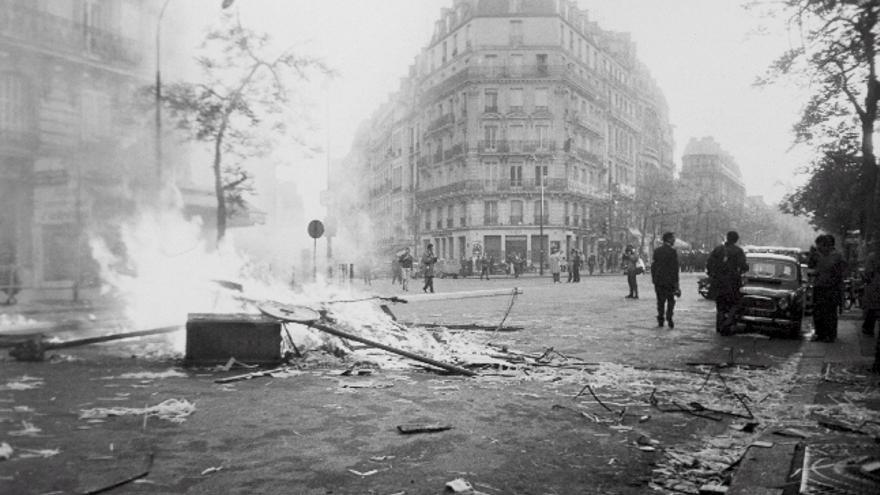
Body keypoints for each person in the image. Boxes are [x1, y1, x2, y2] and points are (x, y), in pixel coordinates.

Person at [707, 231, 748, 335]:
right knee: (734, 304)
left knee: (720, 305)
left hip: (718, 282)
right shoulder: (738, 251)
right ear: (736, 240)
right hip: (732, 283)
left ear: (727, 238)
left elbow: (709, 263)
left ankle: (720, 325)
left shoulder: (718, 249)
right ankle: (727, 324)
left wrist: (713, 275)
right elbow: (743, 266)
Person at [808, 234, 847, 342]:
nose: (818, 248)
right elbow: (811, 268)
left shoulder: (837, 256)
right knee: (818, 312)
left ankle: (830, 335)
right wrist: (812, 257)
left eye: (820, 246)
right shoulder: (818, 256)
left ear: (827, 246)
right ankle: (819, 333)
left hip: (831, 288)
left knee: (829, 313)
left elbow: (841, 272)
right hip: (819, 286)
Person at [652, 232, 680, 328]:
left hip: (659, 280)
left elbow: (654, 266)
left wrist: (654, 279)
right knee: (670, 300)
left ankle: (660, 318)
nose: (674, 240)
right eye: (673, 238)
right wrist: (677, 284)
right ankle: (669, 316)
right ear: (668, 239)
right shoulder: (672, 252)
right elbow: (675, 269)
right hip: (669, 281)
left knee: (660, 301)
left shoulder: (657, 251)